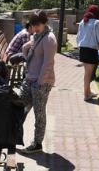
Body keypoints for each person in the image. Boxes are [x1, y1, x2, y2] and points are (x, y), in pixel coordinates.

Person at [20, 10, 57, 154]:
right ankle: (12, 136)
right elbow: (29, 59)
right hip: (30, 78)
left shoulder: (49, 38)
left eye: (38, 24)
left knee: (39, 113)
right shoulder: (36, 36)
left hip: (42, 81)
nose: (35, 28)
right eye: (33, 25)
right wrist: (25, 47)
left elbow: (48, 63)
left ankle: (37, 143)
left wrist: (40, 83)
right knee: (20, 108)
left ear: (45, 23)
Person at [76, 5, 99, 100]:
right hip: (91, 50)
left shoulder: (83, 21)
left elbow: (78, 37)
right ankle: (86, 94)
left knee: (87, 72)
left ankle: (88, 92)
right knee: (88, 73)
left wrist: (80, 47)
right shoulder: (97, 22)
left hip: (83, 49)